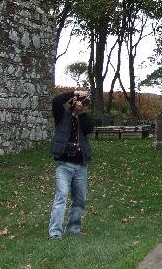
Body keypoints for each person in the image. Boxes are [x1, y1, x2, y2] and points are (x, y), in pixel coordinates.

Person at [48, 90, 95, 239]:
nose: (82, 104)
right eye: (80, 101)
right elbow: (56, 101)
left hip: (81, 165)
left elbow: (89, 129)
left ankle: (74, 229)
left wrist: (81, 112)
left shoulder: (83, 118)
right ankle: (55, 232)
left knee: (79, 200)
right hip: (64, 164)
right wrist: (74, 93)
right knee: (61, 196)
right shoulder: (62, 114)